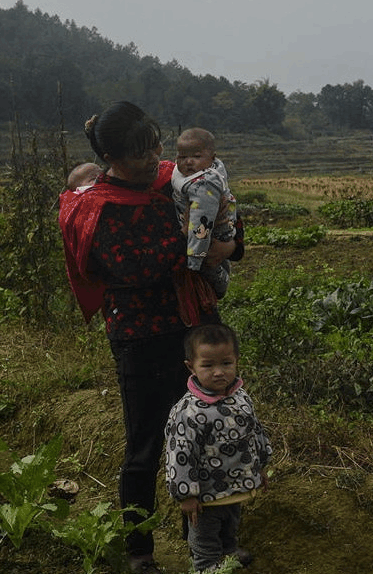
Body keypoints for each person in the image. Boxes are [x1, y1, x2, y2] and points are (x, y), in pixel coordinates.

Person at [57, 101, 222, 574]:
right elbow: (138, 268)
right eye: (140, 152)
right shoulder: (95, 206)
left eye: (154, 144)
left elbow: (225, 218)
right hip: (141, 336)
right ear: (112, 156)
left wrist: (222, 241)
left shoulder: (170, 179)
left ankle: (206, 543)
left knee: (206, 435)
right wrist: (199, 247)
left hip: (196, 330)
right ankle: (139, 549)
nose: (154, 157)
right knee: (145, 445)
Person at [165, 324, 271, 574]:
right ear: (191, 366)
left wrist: (260, 468)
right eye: (208, 365)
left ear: (237, 361)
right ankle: (205, 567)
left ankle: (229, 552)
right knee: (205, 539)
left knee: (231, 524)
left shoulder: (241, 398)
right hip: (205, 496)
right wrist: (186, 494)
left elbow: (255, 434)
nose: (218, 372)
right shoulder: (189, 412)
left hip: (237, 486)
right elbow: (179, 455)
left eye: (226, 363)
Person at [171, 128, 238, 299]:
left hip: (210, 238)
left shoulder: (204, 186)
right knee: (220, 261)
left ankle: (220, 288)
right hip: (217, 235)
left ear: (212, 158)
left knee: (210, 265)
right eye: (182, 157)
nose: (188, 162)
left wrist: (195, 259)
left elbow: (201, 224)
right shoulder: (184, 177)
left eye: (196, 157)